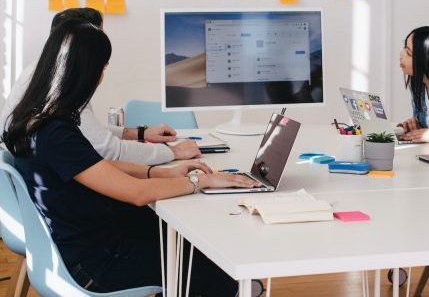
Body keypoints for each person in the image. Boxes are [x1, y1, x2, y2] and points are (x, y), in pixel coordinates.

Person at [2, 20, 258, 295]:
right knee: (229, 279)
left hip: (83, 247)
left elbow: (93, 166)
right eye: (103, 66)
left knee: (181, 242)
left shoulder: (34, 119)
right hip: (97, 265)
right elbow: (136, 194)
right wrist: (201, 181)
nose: (103, 75)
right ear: (87, 72)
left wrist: (159, 172)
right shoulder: (56, 132)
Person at [0, 7, 200, 165]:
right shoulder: (60, 87)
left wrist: (139, 133)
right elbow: (108, 151)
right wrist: (173, 152)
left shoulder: (42, 73)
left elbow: (86, 133)